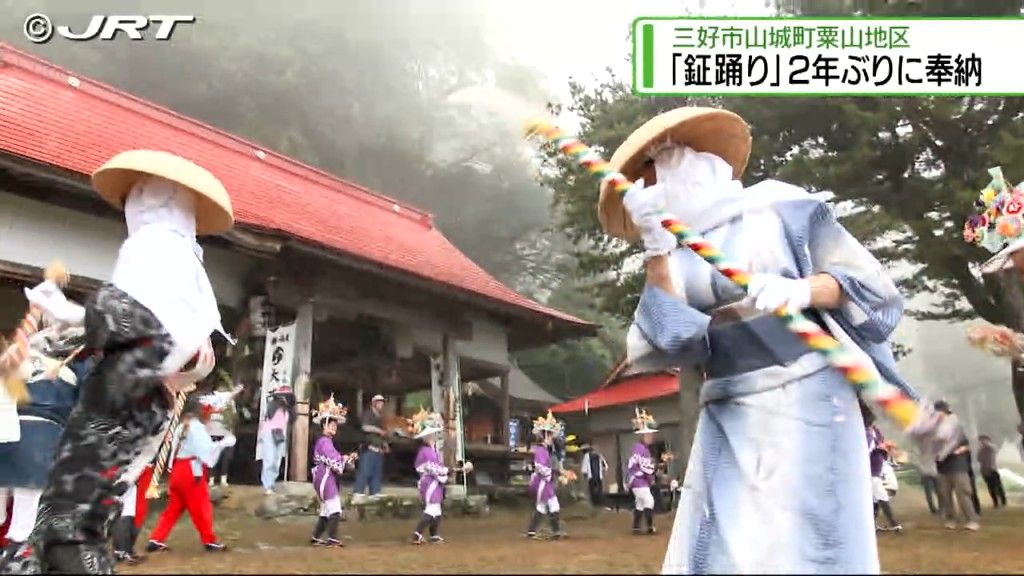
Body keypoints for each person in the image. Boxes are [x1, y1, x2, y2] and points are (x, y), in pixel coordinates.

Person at [599, 107, 926, 574]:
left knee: (811, 543)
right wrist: (655, 253)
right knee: (730, 547)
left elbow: (871, 289)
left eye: (661, 168)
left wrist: (801, 289)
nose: (654, 188)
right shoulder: (672, 259)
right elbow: (670, 343)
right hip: (729, 409)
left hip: (810, 398)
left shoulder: (783, 209)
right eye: (643, 186)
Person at [4, 150, 234, 574]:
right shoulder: (186, 258)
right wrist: (71, 315)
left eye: (141, 193)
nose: (134, 201)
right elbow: (167, 339)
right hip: (141, 399)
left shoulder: (154, 246)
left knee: (68, 526)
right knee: (71, 519)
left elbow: (129, 320)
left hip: (122, 398)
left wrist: (69, 311)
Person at [0, 325, 88, 567]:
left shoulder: (21, 359)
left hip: (8, 431)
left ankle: (16, 549)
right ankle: (17, 552)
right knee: (29, 501)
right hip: (44, 434)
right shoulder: (76, 371)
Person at [146, 405, 235, 553]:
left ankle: (156, 539)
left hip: (177, 470)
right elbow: (206, 452)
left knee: (173, 509)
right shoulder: (197, 428)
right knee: (201, 507)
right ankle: (210, 541)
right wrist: (223, 443)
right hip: (192, 471)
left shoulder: (180, 427)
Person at [309, 394, 356, 547]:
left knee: (325, 510)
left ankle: (316, 537)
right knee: (334, 508)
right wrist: (346, 460)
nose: (334, 427)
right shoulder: (325, 442)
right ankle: (332, 538)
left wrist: (347, 458)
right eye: (331, 424)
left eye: (335, 425)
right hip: (325, 477)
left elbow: (335, 459)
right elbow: (335, 462)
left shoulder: (324, 441)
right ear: (324, 426)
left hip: (323, 476)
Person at [110, 434, 162, 565]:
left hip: (127, 471)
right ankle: (121, 552)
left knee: (128, 512)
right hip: (122, 471)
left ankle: (123, 550)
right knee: (125, 512)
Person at [929, 401, 980, 531]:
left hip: (958, 466)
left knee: (963, 494)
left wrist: (958, 451)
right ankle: (951, 520)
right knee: (945, 495)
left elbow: (967, 445)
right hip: (942, 467)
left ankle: (971, 520)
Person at [409, 408, 449, 545]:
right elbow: (434, 468)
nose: (434, 436)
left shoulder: (429, 450)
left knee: (436, 510)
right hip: (430, 482)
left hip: (432, 481)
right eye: (432, 435)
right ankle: (417, 534)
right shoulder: (426, 451)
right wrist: (449, 471)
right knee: (431, 509)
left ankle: (434, 535)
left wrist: (446, 471)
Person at [525, 411, 565, 540]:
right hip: (542, 482)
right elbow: (540, 467)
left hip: (543, 481)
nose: (552, 439)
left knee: (541, 507)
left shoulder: (542, 450)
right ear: (546, 436)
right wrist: (554, 473)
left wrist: (555, 473)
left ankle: (532, 530)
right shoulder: (541, 450)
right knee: (553, 504)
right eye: (551, 436)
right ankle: (556, 531)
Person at [199, 382, 243, 488]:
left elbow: (234, 418)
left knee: (225, 458)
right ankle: (212, 479)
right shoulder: (208, 403)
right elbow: (203, 417)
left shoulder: (230, 404)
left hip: (225, 433)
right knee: (213, 457)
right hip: (211, 432)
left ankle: (222, 479)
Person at [865, 412, 901, 532]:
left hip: (876, 468)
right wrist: (880, 447)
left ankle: (873, 525)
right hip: (871, 470)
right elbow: (867, 450)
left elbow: (880, 445)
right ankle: (893, 523)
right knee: (881, 496)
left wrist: (885, 446)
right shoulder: (867, 434)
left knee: (874, 498)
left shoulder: (875, 432)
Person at [258, 384, 294, 495]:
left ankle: (271, 483)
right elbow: (268, 414)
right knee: (269, 459)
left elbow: (292, 419)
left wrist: (288, 406)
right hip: (269, 433)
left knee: (277, 460)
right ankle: (267, 485)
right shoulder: (272, 405)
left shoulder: (287, 410)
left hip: (280, 434)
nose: (285, 398)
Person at [628, 409, 659, 535]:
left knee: (640, 503)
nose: (651, 437)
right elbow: (646, 468)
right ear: (643, 436)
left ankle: (636, 527)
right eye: (649, 435)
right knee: (649, 500)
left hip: (634, 479)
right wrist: (652, 477)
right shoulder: (642, 450)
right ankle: (649, 527)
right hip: (639, 479)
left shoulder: (637, 447)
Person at [353, 394, 388, 501]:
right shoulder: (368, 414)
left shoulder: (380, 417)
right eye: (380, 402)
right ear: (374, 403)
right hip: (368, 447)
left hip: (378, 448)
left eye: (382, 402)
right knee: (365, 471)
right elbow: (365, 427)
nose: (381, 404)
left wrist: (384, 444)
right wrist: (378, 430)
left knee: (376, 472)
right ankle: (358, 493)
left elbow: (383, 434)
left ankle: (375, 492)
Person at [978, 435, 1007, 509]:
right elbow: (979, 459)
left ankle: (1003, 501)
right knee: (990, 487)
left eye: (984, 440)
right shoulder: (981, 450)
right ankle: (995, 502)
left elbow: (992, 456)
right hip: (985, 471)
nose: (983, 442)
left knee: (998, 486)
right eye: (981, 440)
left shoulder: (991, 448)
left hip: (992, 470)